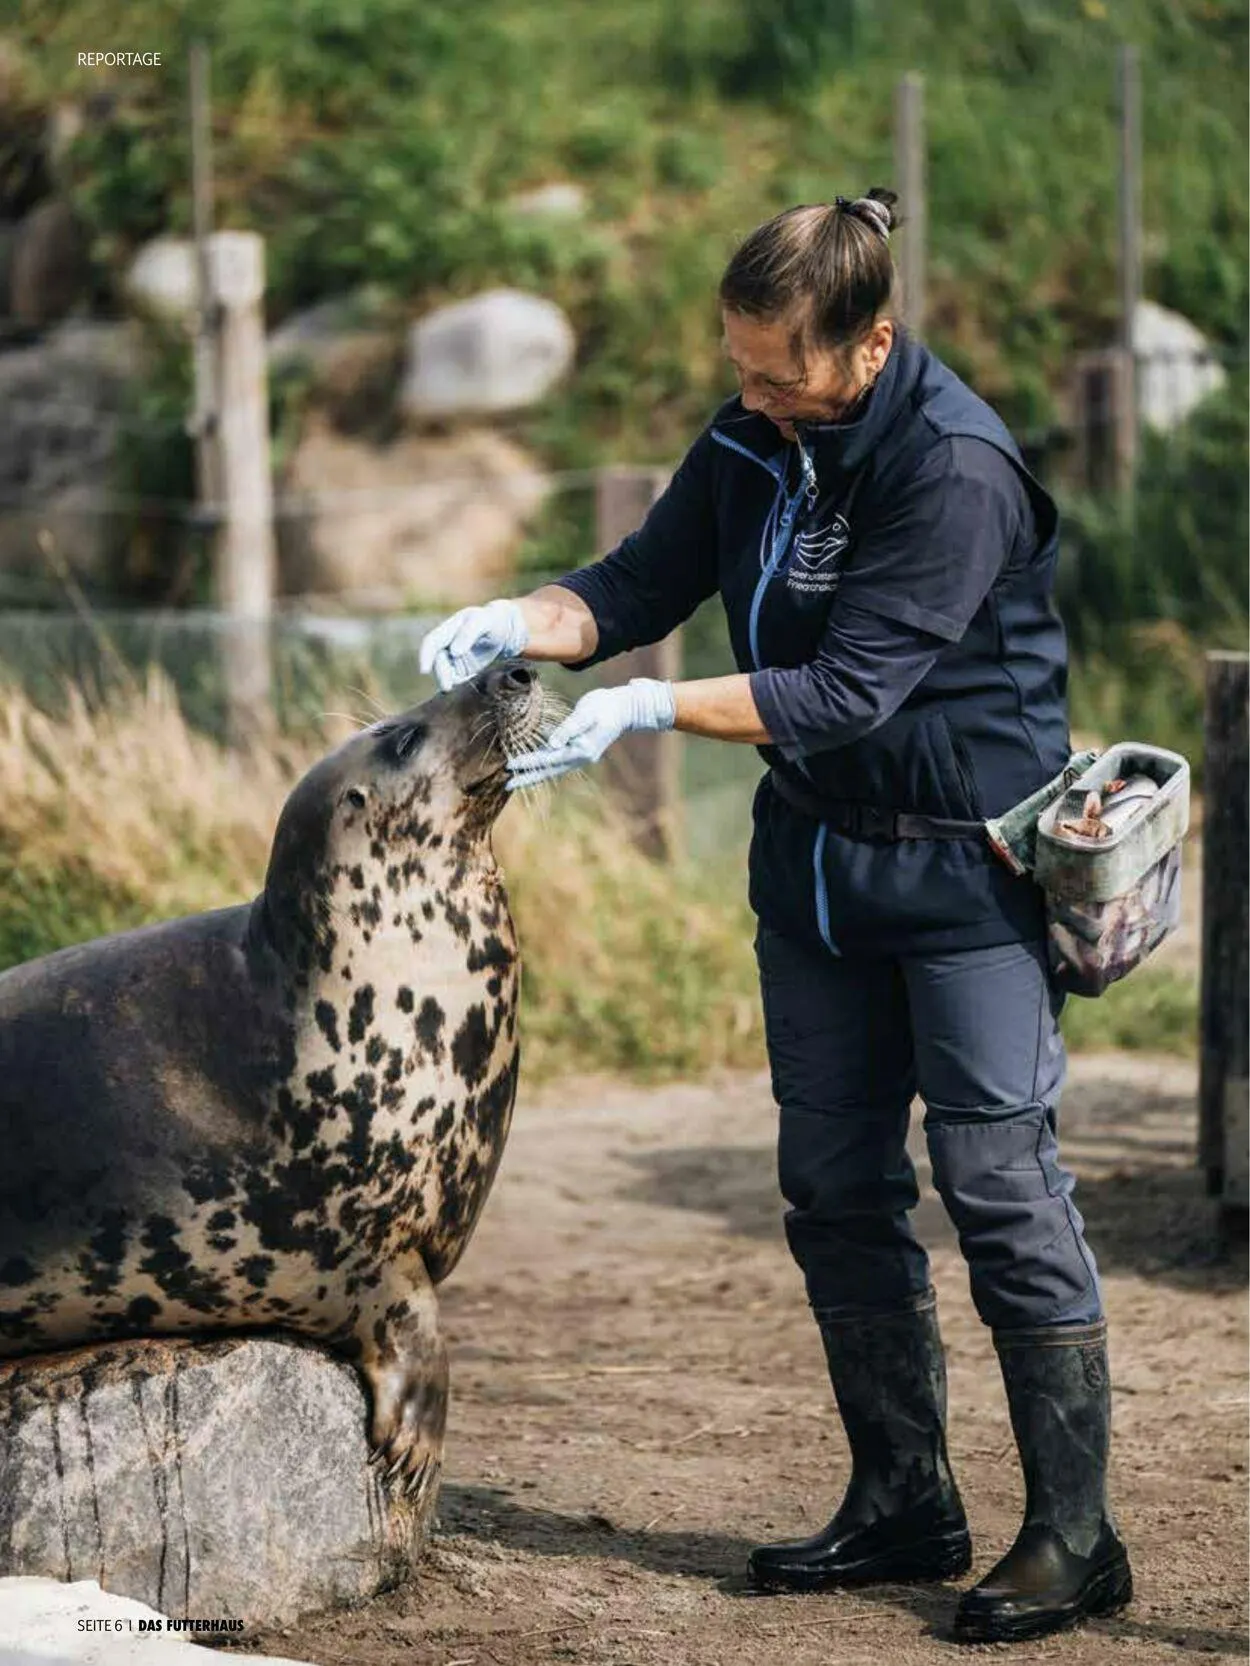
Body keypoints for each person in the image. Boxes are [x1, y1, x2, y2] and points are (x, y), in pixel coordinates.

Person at [418, 189, 1132, 1645]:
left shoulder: (955, 468)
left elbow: (847, 689)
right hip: (812, 871)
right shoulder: (756, 437)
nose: (749, 397)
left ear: (867, 348)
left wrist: (640, 707)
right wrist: (524, 616)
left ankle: (1073, 1533)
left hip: (962, 880)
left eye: (777, 373)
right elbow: (633, 581)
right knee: (833, 1190)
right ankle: (902, 1498)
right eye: (737, 366)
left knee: (997, 1186)